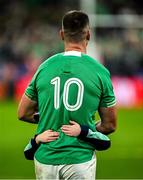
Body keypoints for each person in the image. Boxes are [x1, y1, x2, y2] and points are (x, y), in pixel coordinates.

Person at [18, 10, 117, 180]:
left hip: (46, 159)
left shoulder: (44, 67)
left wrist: (53, 118)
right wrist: (84, 131)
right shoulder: (99, 71)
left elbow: (23, 113)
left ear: (62, 34)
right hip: (79, 159)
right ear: (89, 35)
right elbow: (110, 125)